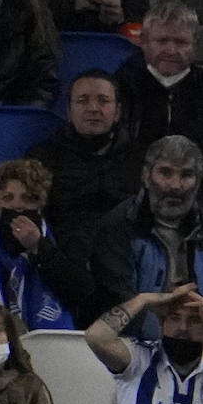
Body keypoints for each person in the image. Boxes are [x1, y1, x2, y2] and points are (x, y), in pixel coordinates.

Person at [88, 134, 203, 334]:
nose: (175, 185)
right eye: (165, 173)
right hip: (135, 343)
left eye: (186, 175)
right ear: (146, 176)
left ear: (199, 181)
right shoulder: (117, 228)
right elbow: (116, 303)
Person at [28, 69, 143, 267]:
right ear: (69, 111)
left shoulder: (140, 159)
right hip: (63, 259)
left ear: (117, 112)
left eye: (103, 101)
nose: (93, 109)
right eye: (82, 101)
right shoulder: (42, 158)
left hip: (127, 257)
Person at [0, 157, 90, 330]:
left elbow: (81, 292)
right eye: (7, 197)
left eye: (27, 198)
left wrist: (39, 247)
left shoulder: (63, 237)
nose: (17, 205)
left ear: (40, 205)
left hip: (50, 338)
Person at [112, 1, 203, 154]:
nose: (171, 50)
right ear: (143, 41)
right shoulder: (120, 85)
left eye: (180, 42)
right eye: (162, 41)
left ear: (195, 45)